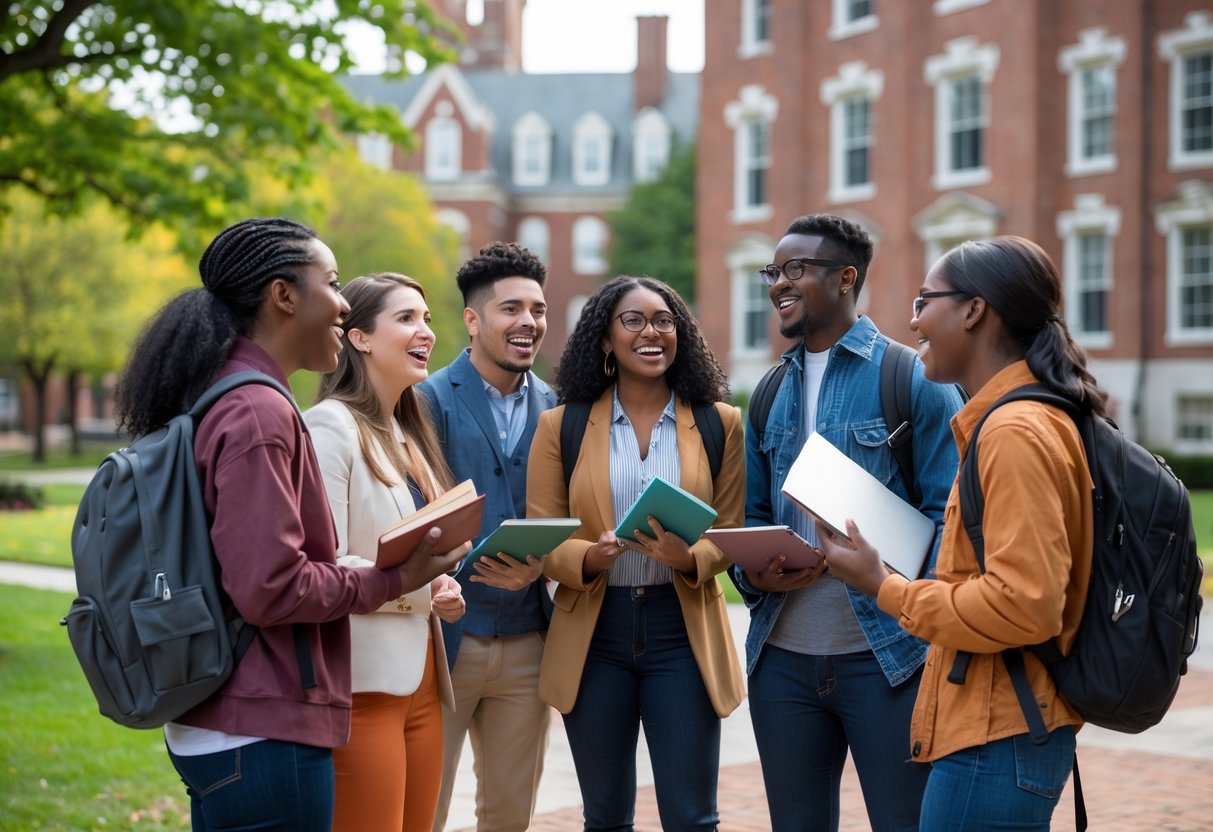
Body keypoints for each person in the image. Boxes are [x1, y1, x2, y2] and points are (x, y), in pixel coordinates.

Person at [112, 218, 465, 832]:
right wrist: (398, 578)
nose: (343, 301)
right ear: (283, 296)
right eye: (330, 283)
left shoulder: (234, 395)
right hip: (260, 726)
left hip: (237, 720)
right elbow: (271, 586)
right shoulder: (258, 411)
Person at [819, 236, 1099, 830]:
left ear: (974, 311)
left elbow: (1025, 605)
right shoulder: (1011, 419)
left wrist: (882, 586)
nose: (912, 319)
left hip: (999, 737)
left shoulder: (1015, 431)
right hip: (998, 728)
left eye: (926, 301)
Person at [734, 213, 965, 832]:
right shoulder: (766, 391)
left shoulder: (911, 376)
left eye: (795, 270)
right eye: (772, 272)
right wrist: (758, 572)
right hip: (781, 660)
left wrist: (909, 596)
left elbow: (953, 518)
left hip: (890, 658)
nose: (778, 284)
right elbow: (752, 518)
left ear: (845, 278)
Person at [526, 275, 746, 831]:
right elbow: (542, 533)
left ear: (681, 334)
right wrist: (586, 559)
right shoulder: (562, 425)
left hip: (682, 631)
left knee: (693, 817)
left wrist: (689, 555)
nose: (652, 332)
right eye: (633, 321)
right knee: (604, 817)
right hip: (595, 635)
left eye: (664, 321)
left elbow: (731, 529)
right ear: (605, 339)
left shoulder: (721, 422)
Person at [306, 273, 469, 831]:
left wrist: (442, 586)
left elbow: (413, 549)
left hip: (425, 683)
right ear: (359, 338)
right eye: (406, 319)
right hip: (362, 684)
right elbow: (319, 562)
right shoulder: (330, 426)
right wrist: (418, 582)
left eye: (426, 319)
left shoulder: (408, 433)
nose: (425, 331)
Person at [416, 242, 557, 832]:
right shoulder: (425, 401)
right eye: (511, 309)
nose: (529, 322)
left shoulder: (555, 407)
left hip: (529, 641)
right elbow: (411, 518)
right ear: (473, 320)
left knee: (509, 815)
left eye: (538, 309)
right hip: (447, 642)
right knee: (424, 810)